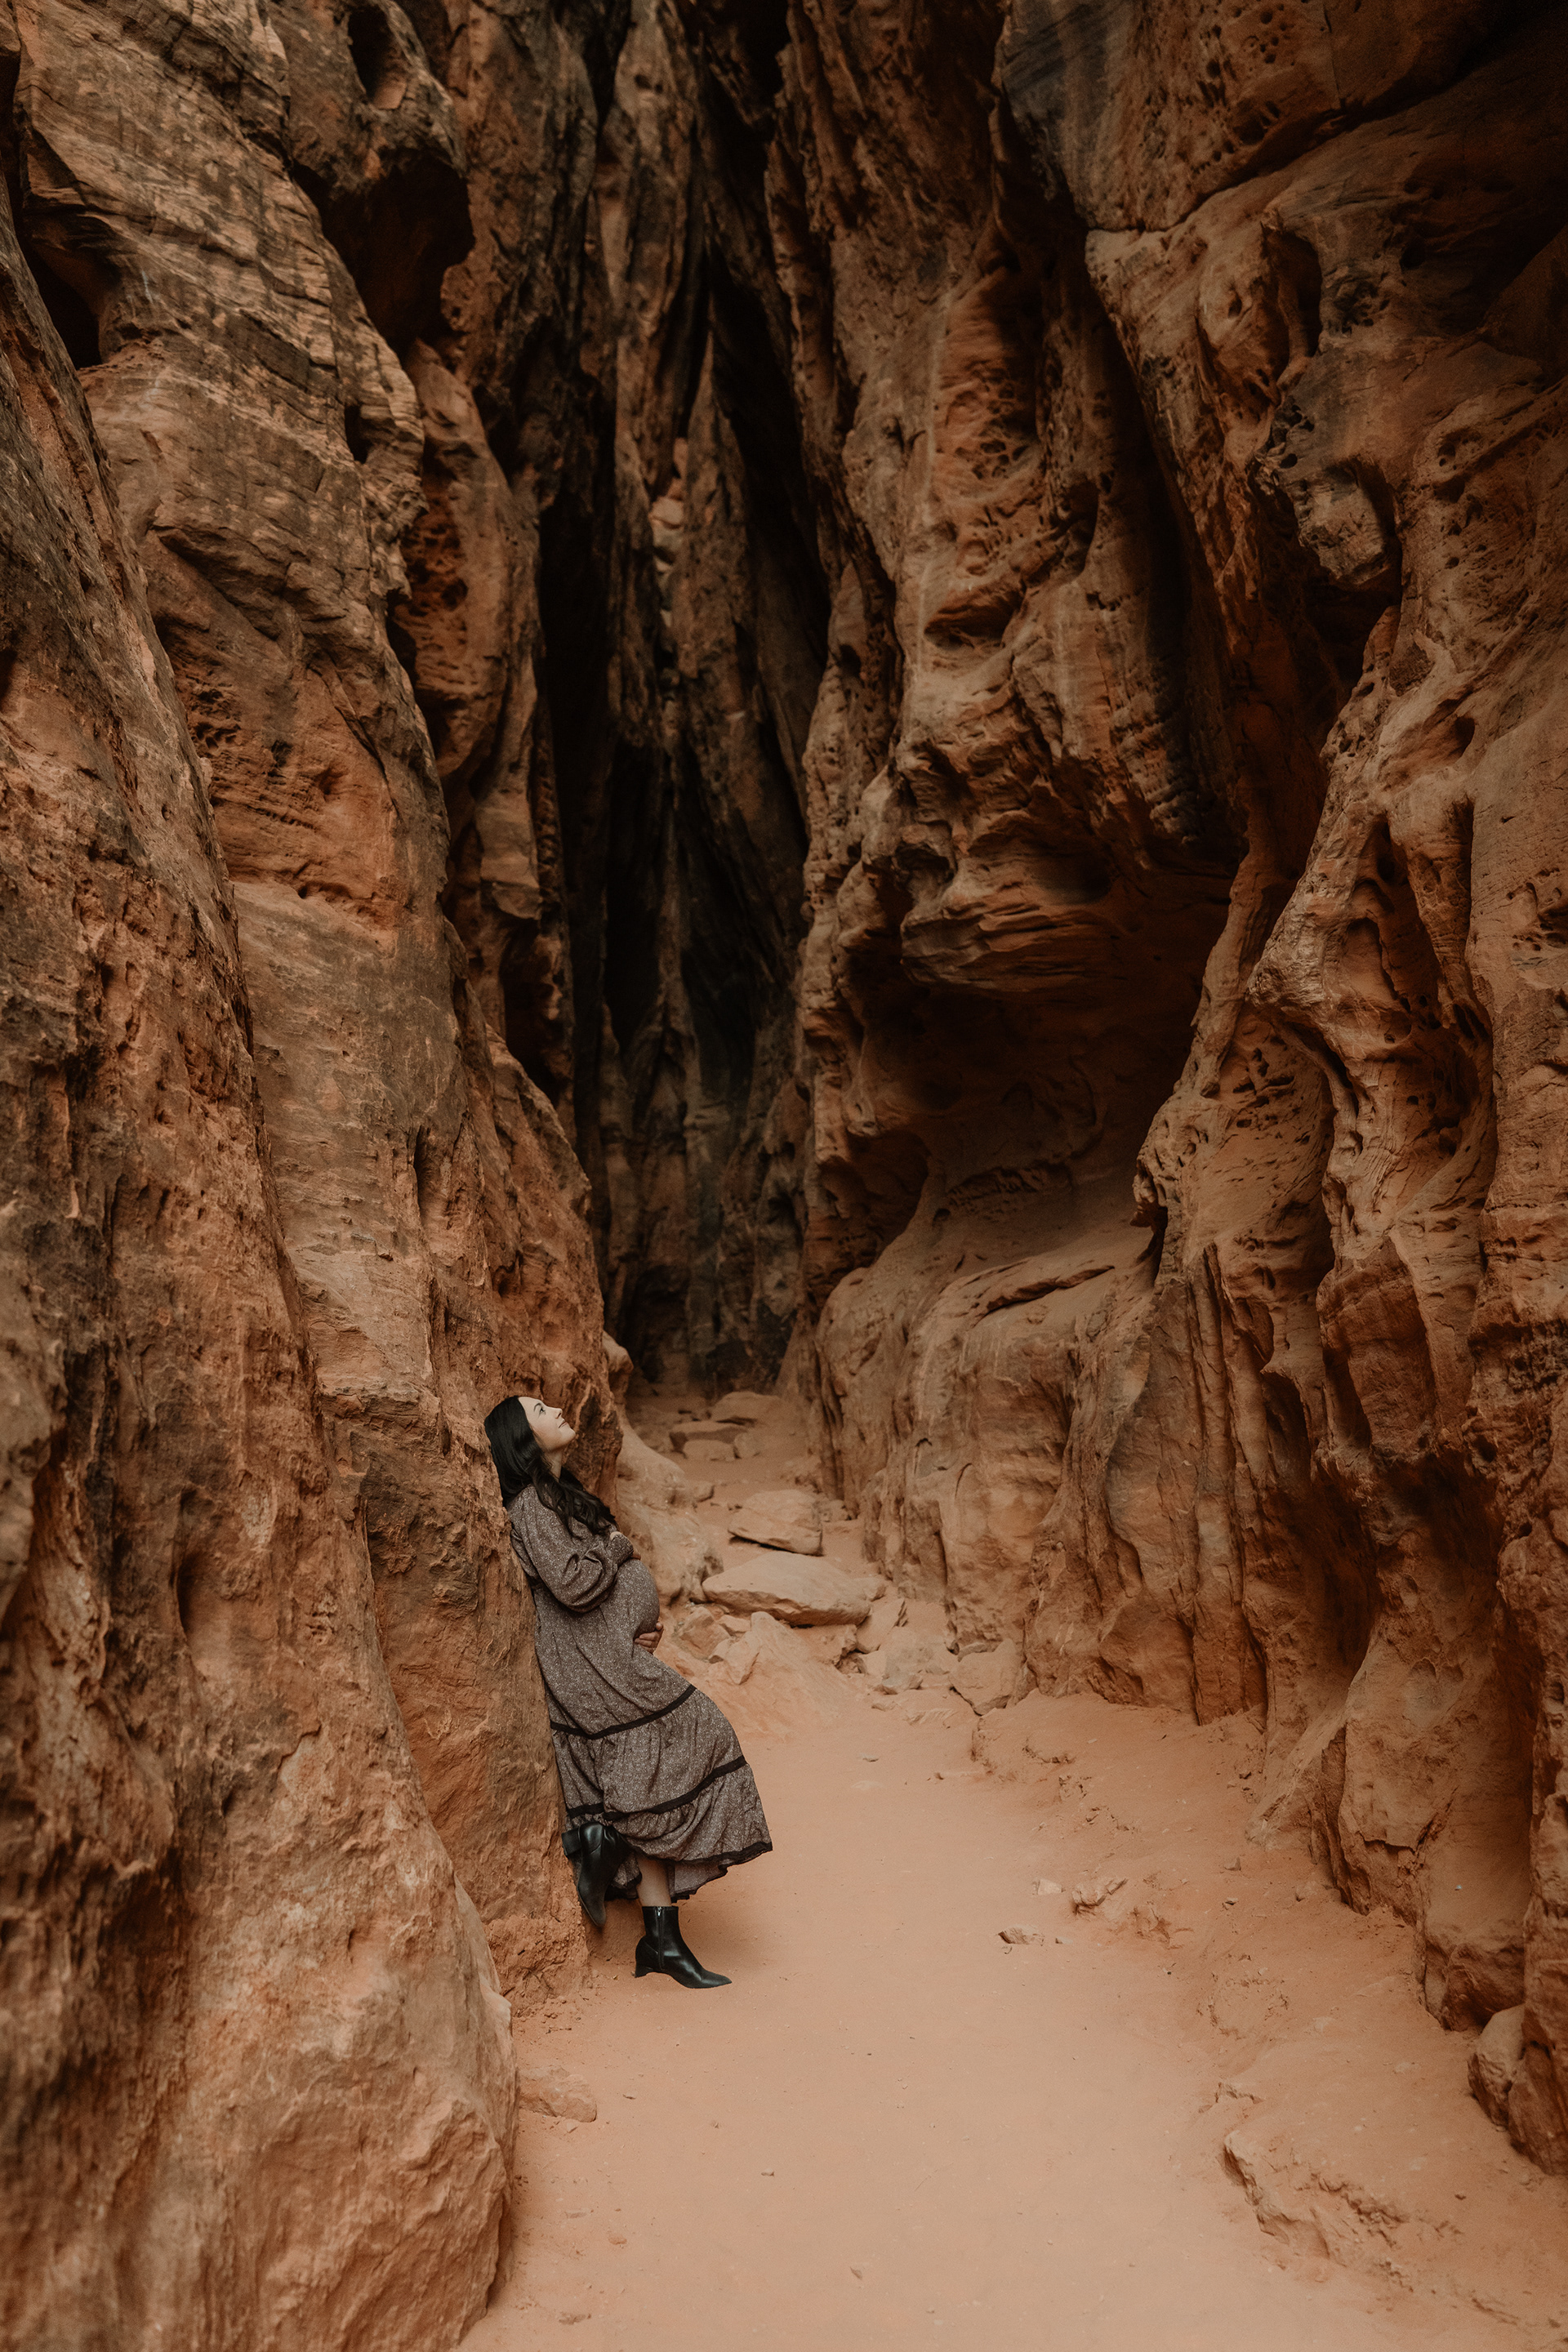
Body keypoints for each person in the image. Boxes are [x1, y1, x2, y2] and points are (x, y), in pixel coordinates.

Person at [484, 1392, 771, 1989]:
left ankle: (660, 1938)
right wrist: (617, 1549)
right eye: (539, 1410)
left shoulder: (557, 1496)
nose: (557, 1408)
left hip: (609, 1656)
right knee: (700, 1730)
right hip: (591, 1669)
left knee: (647, 1783)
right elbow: (573, 1584)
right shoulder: (530, 1505)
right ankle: (606, 1837)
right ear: (519, 1436)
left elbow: (592, 1588)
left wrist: (634, 1622)